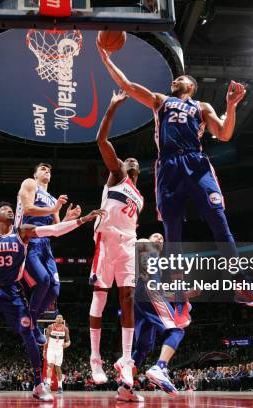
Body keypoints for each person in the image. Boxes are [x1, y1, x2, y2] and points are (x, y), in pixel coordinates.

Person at [96, 42, 253, 307]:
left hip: (195, 163)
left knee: (219, 222)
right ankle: (176, 284)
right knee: (172, 230)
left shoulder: (202, 107)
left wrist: (231, 106)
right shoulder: (160, 101)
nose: (176, 79)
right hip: (168, 166)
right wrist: (105, 57)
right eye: (175, 78)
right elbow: (128, 85)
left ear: (191, 86)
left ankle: (240, 284)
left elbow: (223, 134)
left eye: (181, 77)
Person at [0, 201, 103, 402]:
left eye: (11, 208)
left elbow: (53, 230)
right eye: (4, 209)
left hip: (13, 293)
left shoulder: (23, 232)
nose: (9, 209)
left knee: (29, 334)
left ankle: (38, 385)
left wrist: (81, 220)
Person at [88, 90, 144, 401]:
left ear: (138, 170)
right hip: (106, 244)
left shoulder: (140, 196)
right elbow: (101, 140)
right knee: (100, 300)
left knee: (128, 300)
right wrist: (110, 108)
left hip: (127, 246)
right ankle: (95, 357)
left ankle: (125, 359)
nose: (129, 160)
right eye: (126, 159)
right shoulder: (115, 176)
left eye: (133, 161)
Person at [16, 163, 81, 344]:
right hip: (29, 239)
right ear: (35, 174)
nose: (47, 172)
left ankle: (31, 320)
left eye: (50, 170)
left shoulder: (53, 199)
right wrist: (54, 209)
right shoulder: (30, 184)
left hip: (46, 245)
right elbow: (28, 208)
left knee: (55, 289)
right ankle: (30, 321)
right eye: (43, 169)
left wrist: (68, 218)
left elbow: (56, 228)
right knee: (43, 280)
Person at [131, 232, 189, 398]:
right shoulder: (145, 246)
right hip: (148, 291)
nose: (160, 239)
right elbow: (136, 244)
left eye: (162, 238)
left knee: (143, 347)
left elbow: (163, 292)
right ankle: (160, 367)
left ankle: (124, 387)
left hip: (141, 298)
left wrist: (187, 295)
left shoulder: (156, 262)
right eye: (156, 236)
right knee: (177, 329)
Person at [44, 314, 70, 394]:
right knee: (50, 365)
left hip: (59, 351)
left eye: (60, 318)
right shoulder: (50, 327)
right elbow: (46, 340)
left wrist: (67, 344)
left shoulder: (65, 329)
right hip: (51, 349)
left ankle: (60, 387)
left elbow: (68, 341)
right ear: (55, 319)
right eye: (58, 317)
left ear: (62, 320)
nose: (59, 319)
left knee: (58, 368)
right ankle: (47, 384)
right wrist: (44, 351)